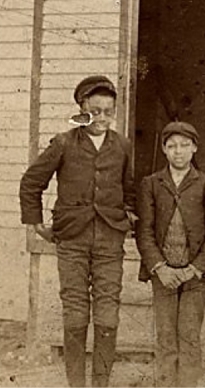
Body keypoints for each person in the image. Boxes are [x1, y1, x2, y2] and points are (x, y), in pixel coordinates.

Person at [19, 75, 135, 387]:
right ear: (81, 110)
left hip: (110, 239)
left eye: (108, 111)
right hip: (72, 238)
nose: (101, 118)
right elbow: (32, 182)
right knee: (75, 313)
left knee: (107, 314)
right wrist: (36, 222)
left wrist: (129, 217)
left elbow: (130, 189)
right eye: (94, 111)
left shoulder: (123, 145)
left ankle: (101, 384)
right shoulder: (64, 143)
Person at [136, 121, 205, 386]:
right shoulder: (151, 184)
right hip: (163, 275)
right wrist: (160, 268)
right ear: (164, 149)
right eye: (172, 146)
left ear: (195, 148)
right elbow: (145, 231)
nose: (179, 151)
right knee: (165, 337)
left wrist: (195, 268)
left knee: (189, 337)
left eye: (185, 145)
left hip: (194, 276)